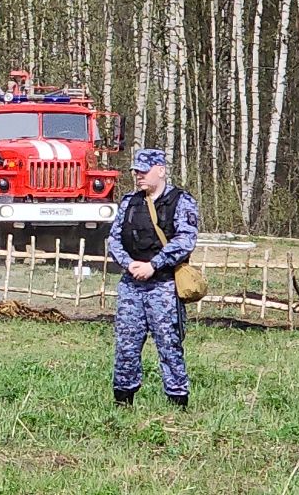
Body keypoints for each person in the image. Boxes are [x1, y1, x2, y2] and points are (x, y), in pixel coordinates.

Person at [107, 147, 200, 409]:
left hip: (165, 285)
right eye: (136, 171)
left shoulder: (181, 201)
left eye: (143, 171)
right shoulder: (129, 202)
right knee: (126, 346)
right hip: (131, 286)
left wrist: (154, 264)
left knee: (169, 345)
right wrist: (129, 263)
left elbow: (186, 239)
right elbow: (114, 239)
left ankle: (177, 401)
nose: (138, 176)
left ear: (161, 170)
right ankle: (123, 400)